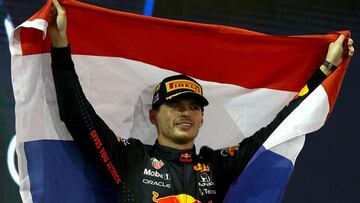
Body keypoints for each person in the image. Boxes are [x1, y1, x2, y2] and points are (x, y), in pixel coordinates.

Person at [48, 0, 354, 202]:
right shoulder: (128, 159)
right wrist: (60, 46)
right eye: (176, 105)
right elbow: (77, 114)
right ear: (154, 115)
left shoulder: (216, 166)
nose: (186, 112)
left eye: (194, 106)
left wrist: (325, 69)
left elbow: (278, 128)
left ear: (202, 117)